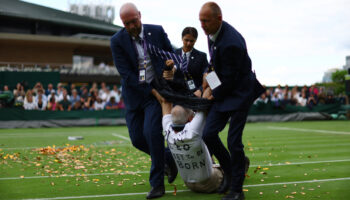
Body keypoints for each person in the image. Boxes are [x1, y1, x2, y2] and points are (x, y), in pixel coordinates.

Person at [110, 3, 177, 199]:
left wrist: (171, 67)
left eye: (134, 21)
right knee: (137, 139)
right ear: (123, 23)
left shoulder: (156, 31)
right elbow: (127, 74)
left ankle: (157, 184)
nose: (132, 26)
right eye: (127, 23)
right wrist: (151, 91)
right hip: (134, 96)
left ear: (140, 15)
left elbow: (170, 54)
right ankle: (170, 158)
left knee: (151, 134)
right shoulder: (117, 41)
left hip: (155, 94)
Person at [199, 2, 265, 200]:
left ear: (218, 18)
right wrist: (206, 74)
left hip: (240, 93)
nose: (202, 25)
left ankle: (237, 190)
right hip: (225, 91)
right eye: (200, 21)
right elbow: (214, 64)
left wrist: (209, 91)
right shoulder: (212, 32)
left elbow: (228, 79)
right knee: (209, 134)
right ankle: (230, 171)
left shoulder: (232, 42)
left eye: (206, 21)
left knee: (233, 141)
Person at [154, 87, 224, 193]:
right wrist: (209, 78)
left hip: (189, 184)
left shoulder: (167, 130)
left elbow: (165, 102)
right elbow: (204, 101)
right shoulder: (193, 130)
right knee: (229, 168)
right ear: (190, 119)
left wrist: (158, 85)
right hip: (208, 183)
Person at [172, 27, 208, 97]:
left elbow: (206, 75)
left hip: (194, 94)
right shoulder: (173, 54)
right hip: (175, 94)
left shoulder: (202, 56)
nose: (188, 43)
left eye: (192, 41)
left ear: (195, 40)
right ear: (182, 38)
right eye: (186, 40)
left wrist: (200, 90)